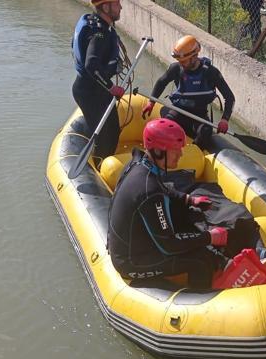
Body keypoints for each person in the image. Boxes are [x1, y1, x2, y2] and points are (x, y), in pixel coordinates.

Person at [107, 119, 229, 289]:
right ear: (158, 151)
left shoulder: (139, 163)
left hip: (132, 243)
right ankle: (198, 304)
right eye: (175, 150)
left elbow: (164, 190)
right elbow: (169, 246)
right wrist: (210, 237)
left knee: (184, 215)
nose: (180, 154)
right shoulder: (149, 190)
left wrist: (189, 199)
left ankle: (220, 261)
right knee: (200, 261)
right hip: (130, 261)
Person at [142, 35, 236, 149]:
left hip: (199, 115)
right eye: (179, 61)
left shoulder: (211, 73)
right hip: (178, 112)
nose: (181, 63)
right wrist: (151, 102)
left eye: (183, 61)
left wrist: (224, 119)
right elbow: (161, 82)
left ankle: (192, 155)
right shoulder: (176, 69)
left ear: (194, 56)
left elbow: (229, 97)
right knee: (163, 129)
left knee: (206, 132)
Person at [72, 0, 127, 160]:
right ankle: (100, 166)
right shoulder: (99, 33)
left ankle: (105, 161)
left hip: (98, 89)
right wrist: (111, 87)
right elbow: (91, 64)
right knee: (104, 137)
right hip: (89, 92)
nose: (121, 7)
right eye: (117, 4)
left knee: (114, 131)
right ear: (106, 7)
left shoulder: (96, 23)